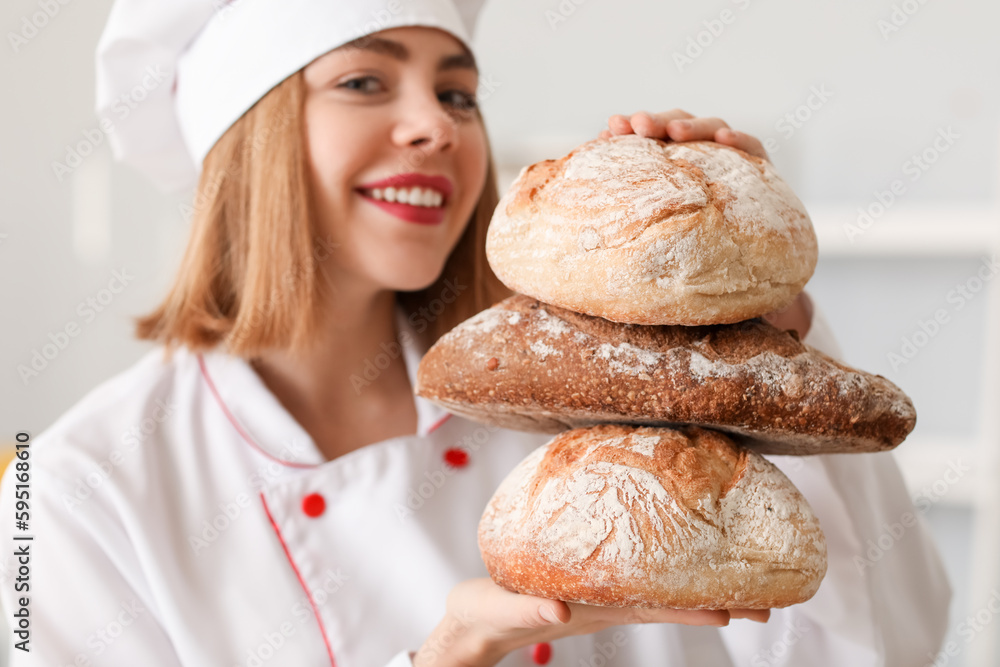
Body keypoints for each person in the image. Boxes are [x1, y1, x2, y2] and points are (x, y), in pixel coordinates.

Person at [0, 1, 951, 665]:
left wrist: (753, 324)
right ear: (246, 143)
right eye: (366, 81)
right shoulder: (77, 488)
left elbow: (891, 644)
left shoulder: (597, 390)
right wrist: (448, 654)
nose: (436, 126)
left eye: (457, 93)